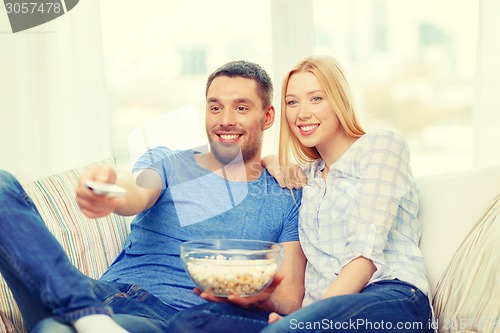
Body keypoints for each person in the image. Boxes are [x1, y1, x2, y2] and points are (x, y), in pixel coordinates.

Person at [0, 60, 306, 333]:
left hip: (166, 316)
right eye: (215, 107)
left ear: (267, 117)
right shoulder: (168, 162)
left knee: (55, 328)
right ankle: (85, 311)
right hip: (97, 290)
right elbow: (136, 192)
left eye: (241, 108)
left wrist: (255, 298)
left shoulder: (286, 196)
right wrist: (110, 191)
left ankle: (85, 317)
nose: (225, 120)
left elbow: (290, 298)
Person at [167, 55, 434, 332]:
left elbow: (364, 257)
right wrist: (272, 159)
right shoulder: (305, 178)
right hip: (321, 313)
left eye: (316, 98)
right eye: (292, 102)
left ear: (340, 101)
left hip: (390, 299)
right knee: (195, 321)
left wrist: (303, 322)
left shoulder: (381, 146)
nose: (302, 113)